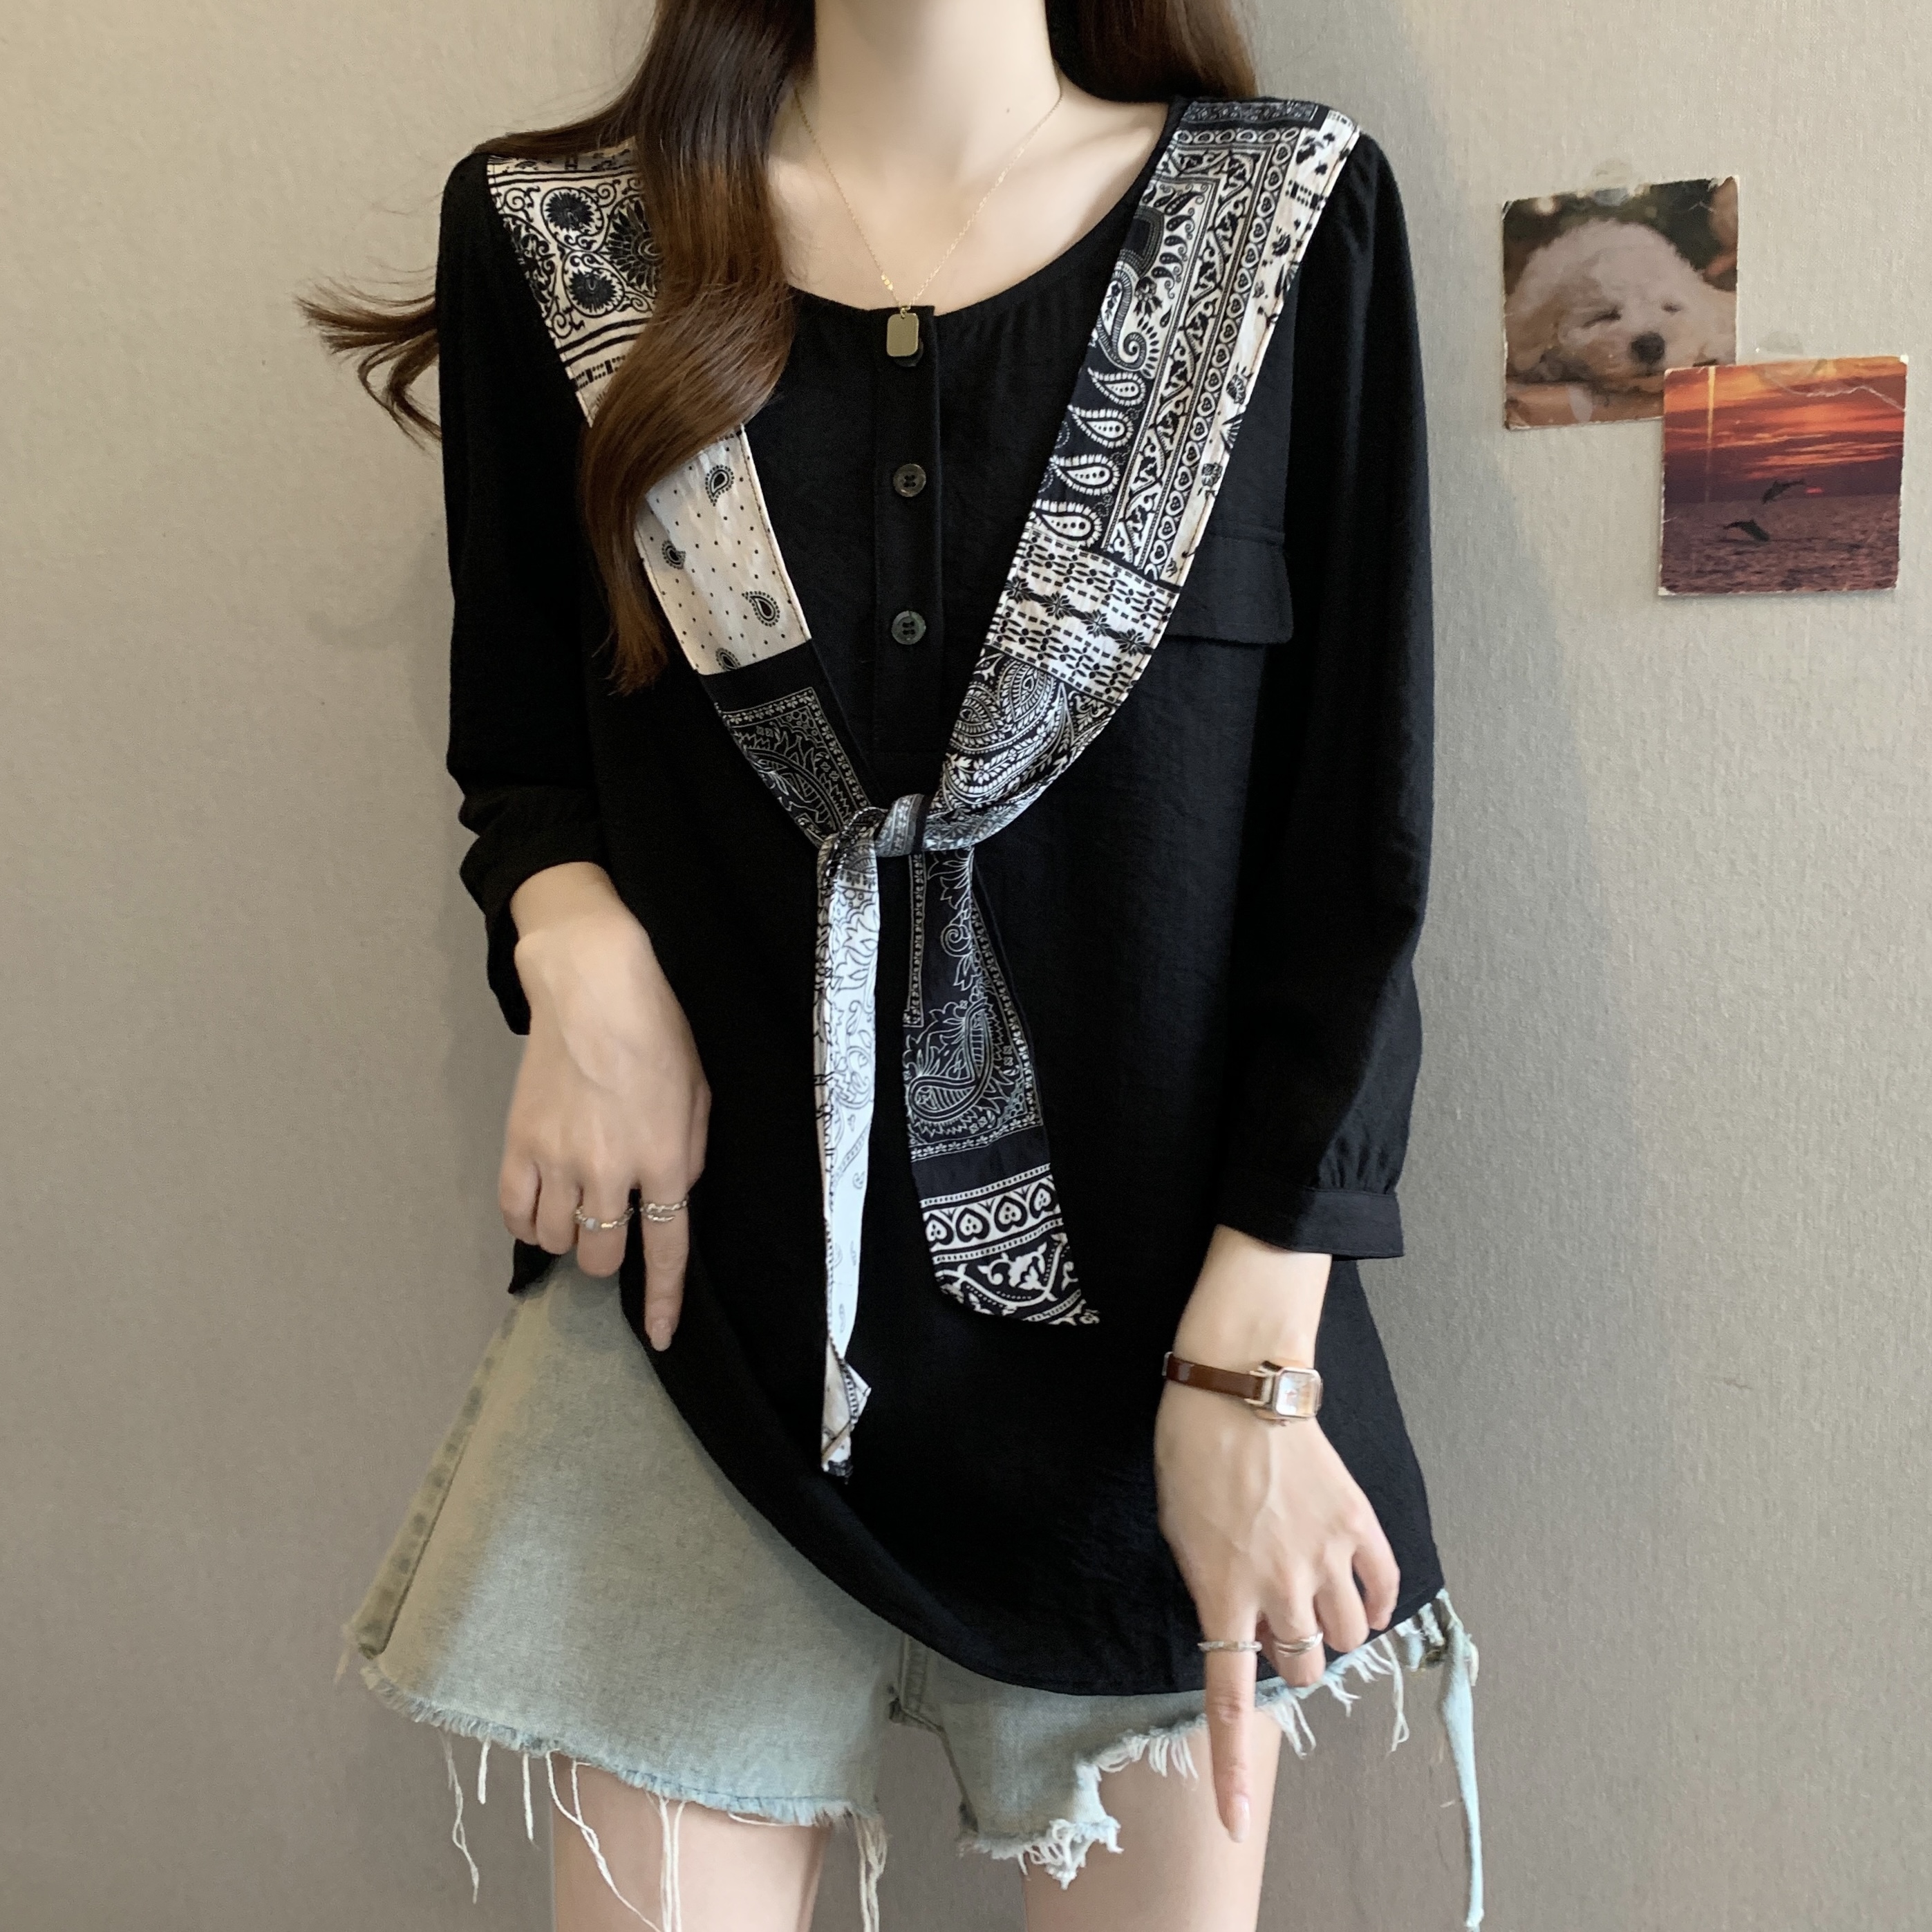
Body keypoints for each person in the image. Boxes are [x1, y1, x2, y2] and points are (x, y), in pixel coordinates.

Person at [310, 2, 1480, 1926]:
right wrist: (574, 941)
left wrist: (1254, 1357)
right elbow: (524, 740)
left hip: (1170, 1354)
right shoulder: (558, 240)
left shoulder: (1284, 220)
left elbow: (1352, 849)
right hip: (700, 1319)